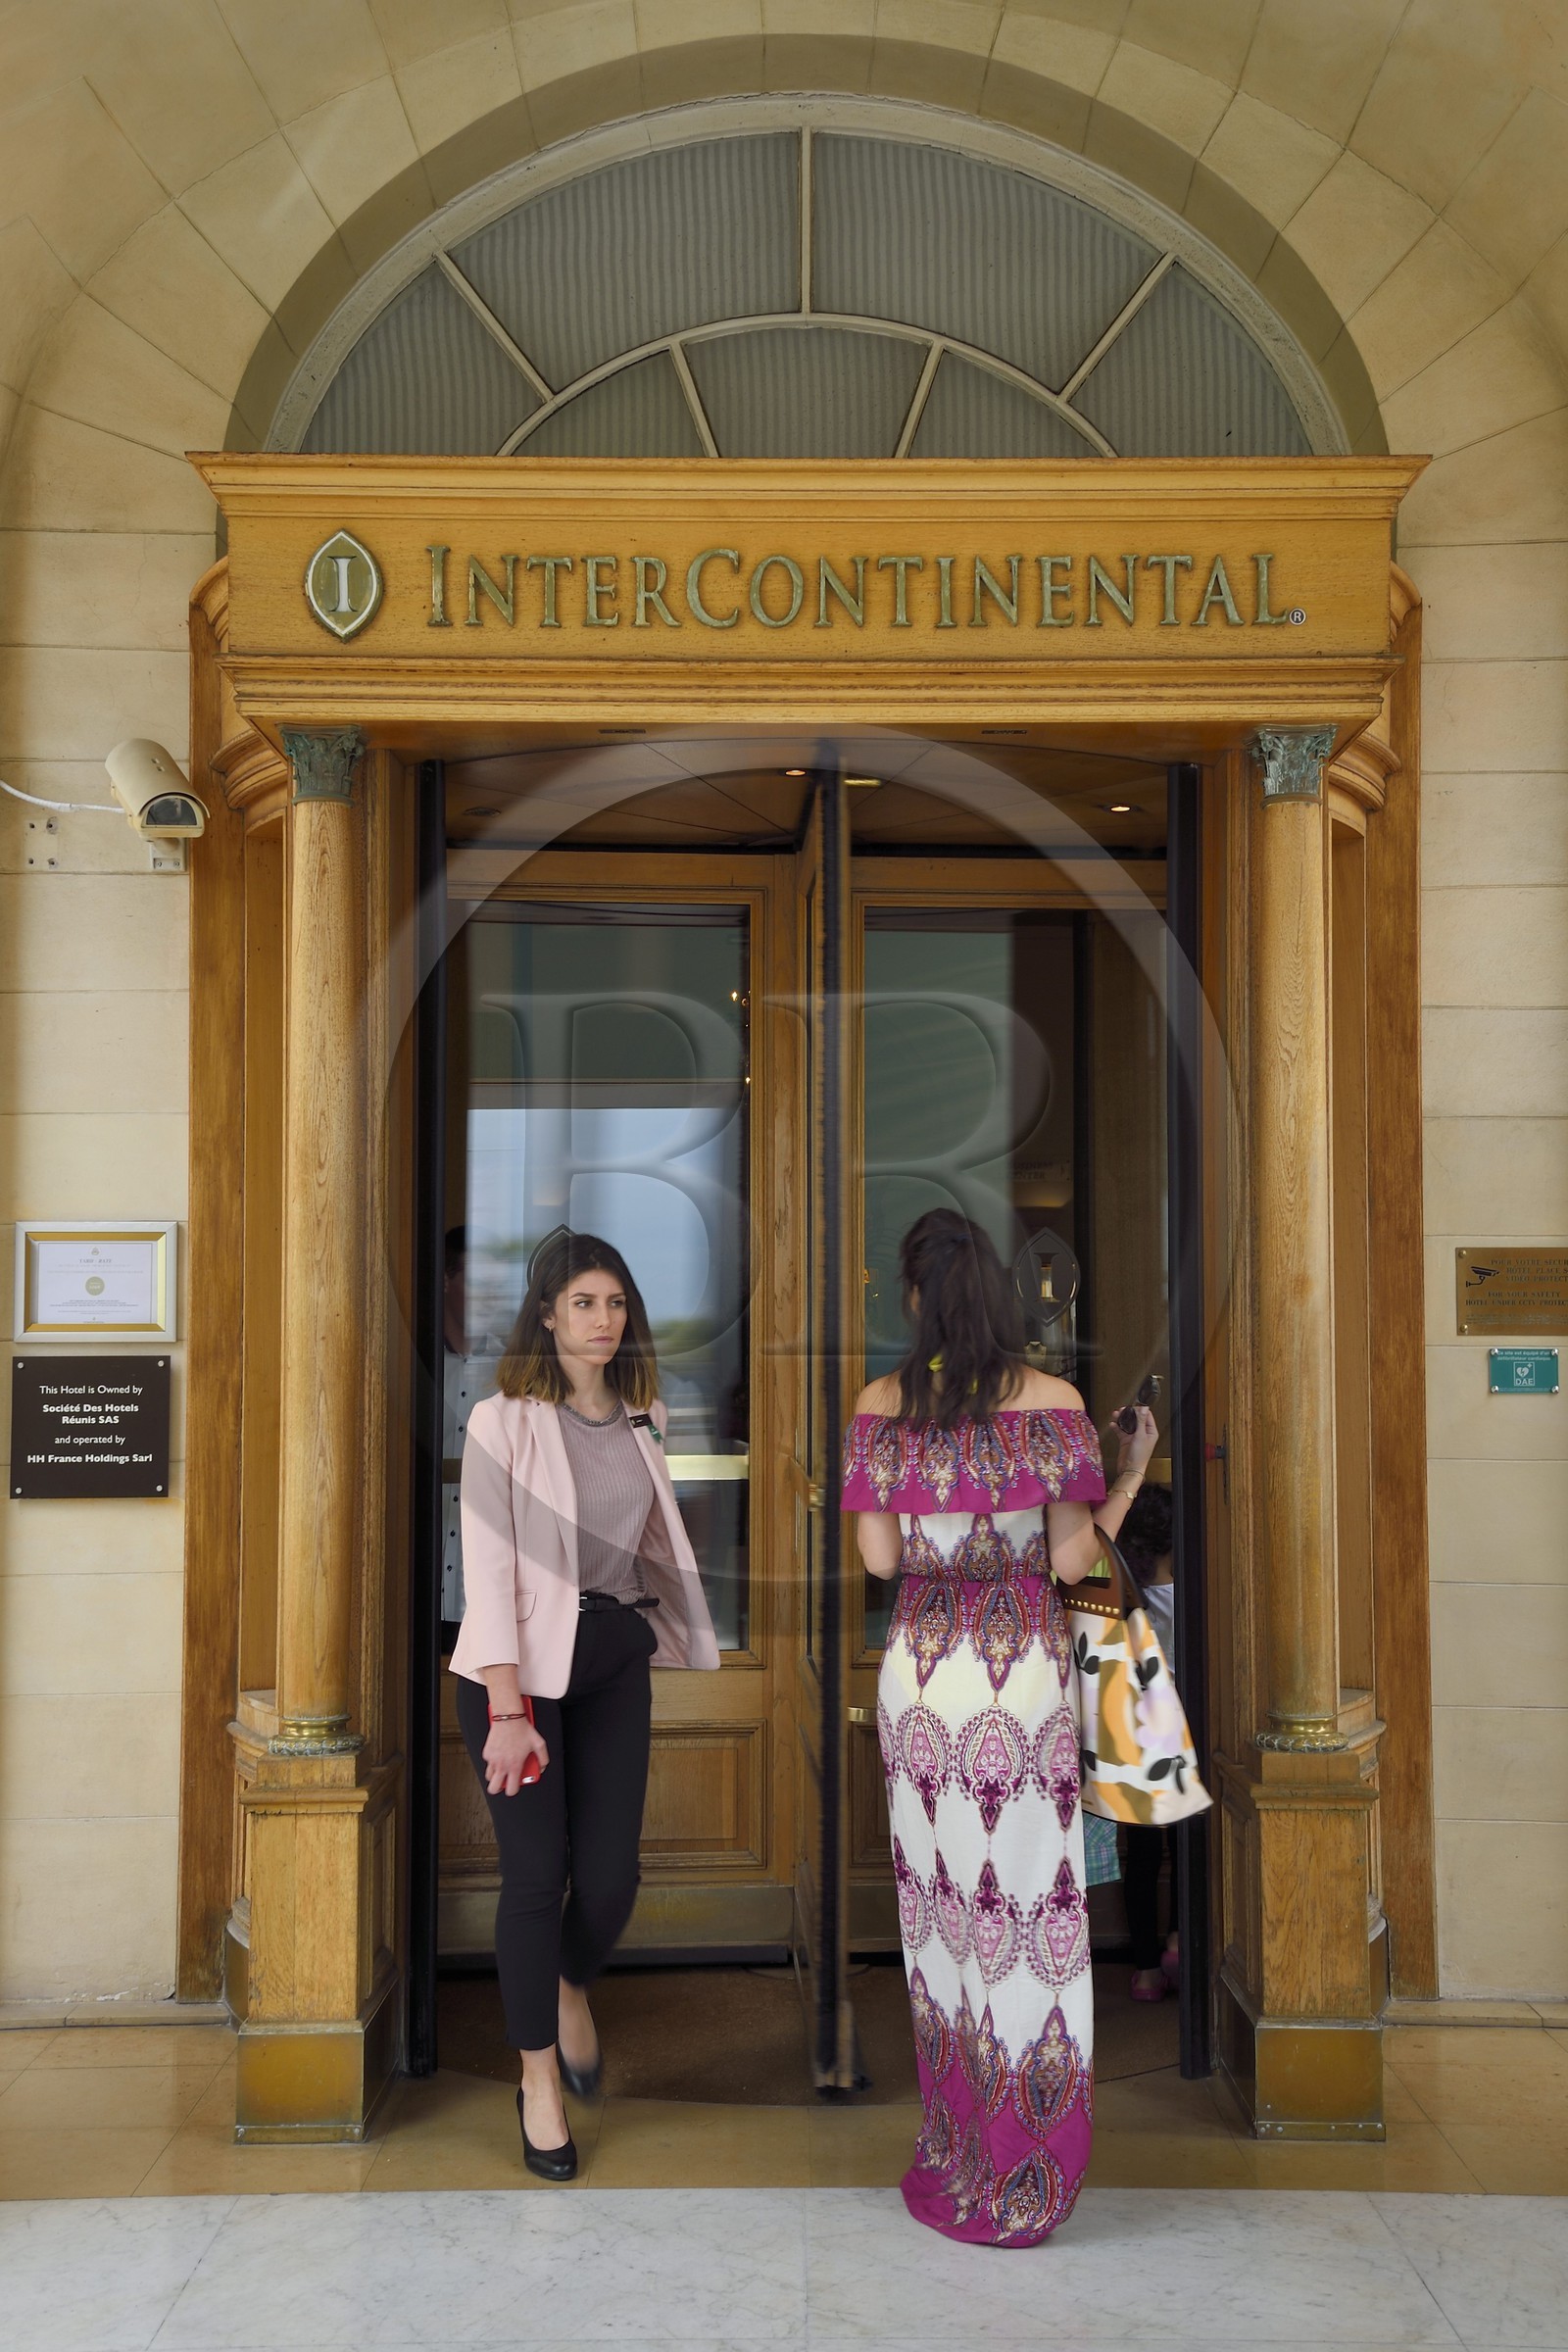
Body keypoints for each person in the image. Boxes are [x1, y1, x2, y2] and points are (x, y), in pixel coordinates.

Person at [846, 1207, 1157, 2246]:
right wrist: (1126, 1481)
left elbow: (881, 1564)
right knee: (1028, 1920)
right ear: (1000, 1291)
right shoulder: (1055, 1402)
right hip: (1017, 1677)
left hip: (921, 1688)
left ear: (913, 1298)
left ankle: (959, 2149)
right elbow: (1072, 1567)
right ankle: (1029, 2166)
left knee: (942, 1922)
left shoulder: (881, 1406)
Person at [451, 1228, 720, 2179]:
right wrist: (508, 1705)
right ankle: (536, 2084)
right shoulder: (503, 1420)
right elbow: (485, 1570)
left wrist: (670, 1627)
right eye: (582, 1305)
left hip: (611, 1655)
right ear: (546, 1317)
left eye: (614, 1304)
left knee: (609, 1879)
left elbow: (652, 1541)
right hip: (512, 1676)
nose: (602, 1322)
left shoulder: (646, 1413)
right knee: (536, 1878)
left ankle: (568, 1983)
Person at [1117, 1482, 1181, 2002]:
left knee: (1138, 1855)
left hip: (1134, 1739)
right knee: (1186, 1847)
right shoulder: (1195, 1599)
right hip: (1185, 1736)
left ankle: (1144, 1971)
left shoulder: (1116, 1606)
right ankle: (1179, 1943)